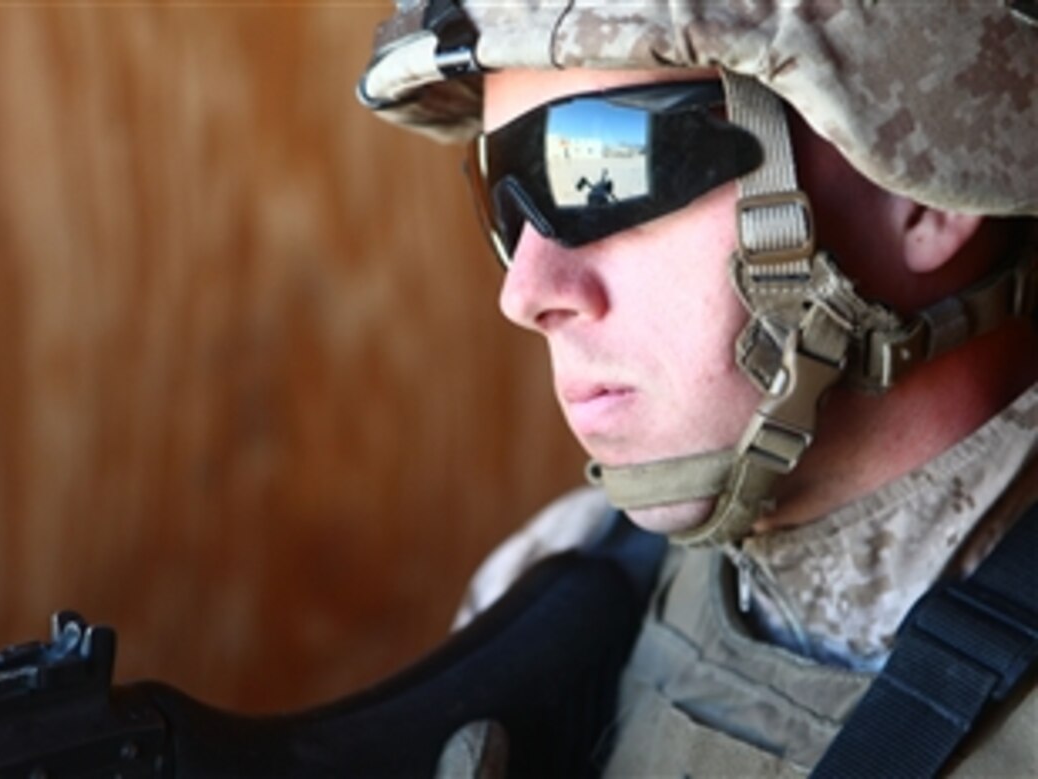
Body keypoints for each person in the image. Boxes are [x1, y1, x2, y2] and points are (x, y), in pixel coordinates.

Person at [358, 2, 1037, 776]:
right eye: (503, 193)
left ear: (924, 183)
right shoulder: (564, 578)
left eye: (602, 172)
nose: (527, 290)